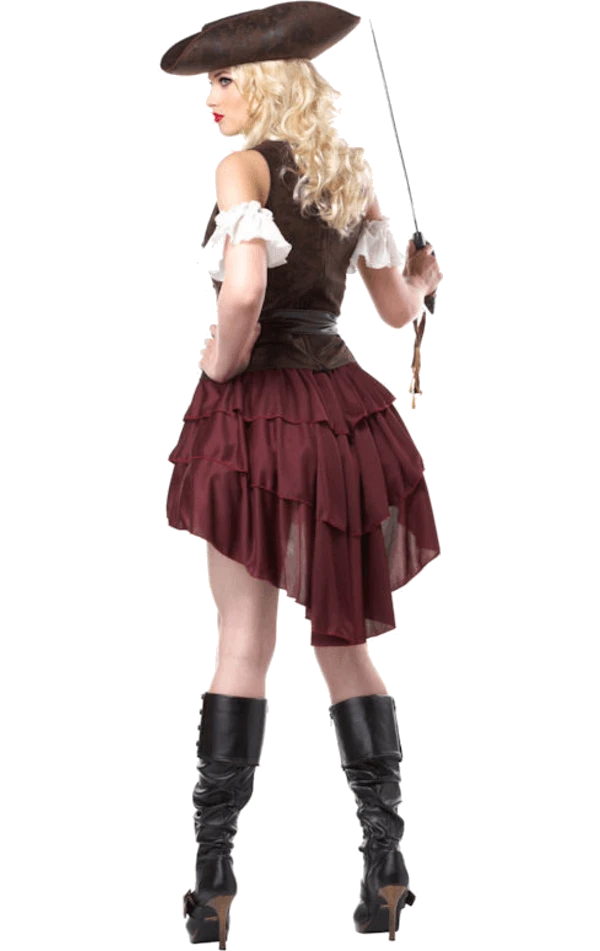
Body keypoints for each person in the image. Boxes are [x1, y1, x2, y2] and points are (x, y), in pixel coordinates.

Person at [162, 5, 442, 946]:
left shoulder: (244, 166)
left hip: (257, 418)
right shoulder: (346, 172)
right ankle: (387, 873)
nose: (213, 100)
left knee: (242, 644)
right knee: (346, 646)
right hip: (340, 420)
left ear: (267, 82)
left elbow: (245, 289)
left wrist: (218, 363)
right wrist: (424, 279)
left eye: (225, 82)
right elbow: (396, 307)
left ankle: (211, 885)